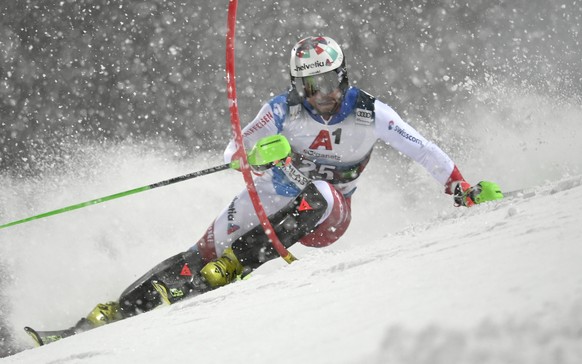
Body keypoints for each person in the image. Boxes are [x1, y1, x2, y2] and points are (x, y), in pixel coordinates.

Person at [25, 36, 502, 345]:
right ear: (297, 85)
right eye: (312, 84)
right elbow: (236, 145)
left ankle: (237, 263)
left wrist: (459, 187)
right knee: (197, 250)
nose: (324, 94)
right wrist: (251, 154)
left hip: (327, 215)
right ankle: (104, 316)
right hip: (270, 195)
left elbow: (425, 150)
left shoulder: (370, 112)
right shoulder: (280, 109)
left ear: (344, 76)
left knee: (318, 190)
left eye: (331, 80)